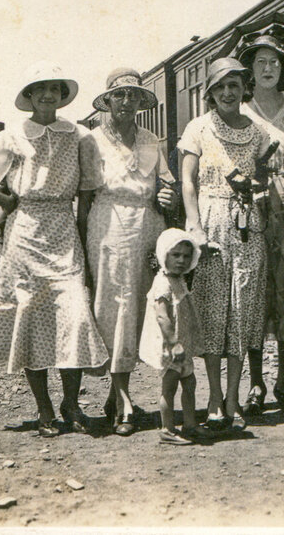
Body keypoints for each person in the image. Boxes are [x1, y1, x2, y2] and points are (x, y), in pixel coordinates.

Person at [0, 62, 109, 438]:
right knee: (31, 318)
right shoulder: (13, 134)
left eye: (54, 89)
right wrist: (3, 200)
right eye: (39, 89)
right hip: (24, 232)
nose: (47, 96)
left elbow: (87, 192)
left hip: (63, 230)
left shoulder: (80, 134)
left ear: (62, 95)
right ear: (28, 96)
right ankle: (44, 407)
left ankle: (71, 404)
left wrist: (83, 237)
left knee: (73, 315)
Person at [77, 68, 177, 436]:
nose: (126, 102)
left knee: (142, 310)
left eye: (133, 96)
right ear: (107, 101)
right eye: (119, 96)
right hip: (109, 229)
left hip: (149, 227)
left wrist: (169, 194)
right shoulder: (92, 141)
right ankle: (124, 401)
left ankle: (118, 396)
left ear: (140, 101)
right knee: (115, 308)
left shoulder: (151, 138)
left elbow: (166, 183)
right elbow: (85, 199)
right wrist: (83, 243)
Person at [179, 57, 273, 433]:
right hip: (211, 227)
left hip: (249, 228)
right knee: (214, 313)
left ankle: (233, 398)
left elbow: (270, 175)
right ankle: (214, 398)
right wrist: (195, 227)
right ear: (211, 92)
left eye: (234, 85)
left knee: (242, 312)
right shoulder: (198, 129)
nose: (228, 93)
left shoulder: (260, 131)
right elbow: (188, 182)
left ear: (243, 87)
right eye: (221, 87)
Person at [237, 35, 284, 416]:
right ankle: (255, 382)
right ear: (250, 69)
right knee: (254, 290)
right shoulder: (240, 111)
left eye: (275, 62)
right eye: (261, 61)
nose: (268, 68)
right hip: (249, 207)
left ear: (283, 69)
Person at [138, 229, 214, 445]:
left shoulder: (179, 280)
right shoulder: (162, 283)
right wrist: (173, 344)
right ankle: (167, 428)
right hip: (172, 346)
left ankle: (190, 424)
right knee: (169, 386)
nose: (181, 261)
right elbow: (162, 316)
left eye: (186, 256)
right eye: (176, 255)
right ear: (164, 255)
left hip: (184, 345)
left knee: (189, 383)